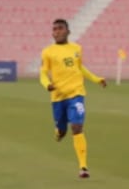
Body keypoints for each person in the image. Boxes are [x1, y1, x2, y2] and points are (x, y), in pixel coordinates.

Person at [40, 18, 107, 178]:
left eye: (60, 28)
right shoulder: (48, 51)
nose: (57, 31)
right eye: (54, 29)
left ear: (67, 31)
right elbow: (43, 72)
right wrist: (47, 84)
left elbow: (79, 67)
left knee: (77, 127)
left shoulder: (77, 48)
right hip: (58, 96)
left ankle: (83, 167)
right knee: (62, 131)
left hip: (76, 94)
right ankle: (59, 131)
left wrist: (96, 79)